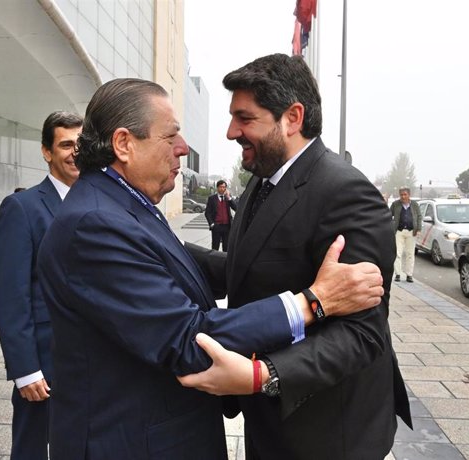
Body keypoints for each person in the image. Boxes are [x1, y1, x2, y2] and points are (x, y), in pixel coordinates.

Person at [35, 78, 386, 459]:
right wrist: (314, 301)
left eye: (244, 117)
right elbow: (188, 339)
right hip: (133, 441)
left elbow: (185, 264)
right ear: (124, 144)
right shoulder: (96, 224)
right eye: (171, 137)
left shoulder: (122, 204)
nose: (183, 148)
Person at [180, 53, 412, 460]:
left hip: (326, 434)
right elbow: (247, 272)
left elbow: (363, 335)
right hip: (272, 425)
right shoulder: (262, 181)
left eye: (244, 118)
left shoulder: (345, 194)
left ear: (292, 117)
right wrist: (163, 247)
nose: (231, 131)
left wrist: (262, 376)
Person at [0, 111, 82, 459]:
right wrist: (25, 369)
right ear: (47, 151)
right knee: (32, 447)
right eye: (65, 144)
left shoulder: (99, 203)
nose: (75, 151)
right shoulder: (22, 208)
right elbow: (12, 296)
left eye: (80, 144)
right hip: (44, 362)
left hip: (91, 357)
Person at [390, 186, 422, 283]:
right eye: (401, 195)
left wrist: (419, 228)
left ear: (409, 195)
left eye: (405, 194)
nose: (403, 197)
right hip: (399, 232)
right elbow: (388, 214)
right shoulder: (395, 204)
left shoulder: (415, 205)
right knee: (397, 253)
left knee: (410, 254)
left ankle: (409, 275)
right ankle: (398, 274)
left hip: (411, 232)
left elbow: (419, 216)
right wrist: (391, 226)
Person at [205, 179, 237, 251]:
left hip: (227, 227)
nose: (222, 189)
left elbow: (236, 208)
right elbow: (207, 212)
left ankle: (225, 262)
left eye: (224, 187)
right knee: (215, 246)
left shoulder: (228, 198)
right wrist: (212, 224)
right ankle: (213, 261)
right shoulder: (212, 198)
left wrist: (229, 198)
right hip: (216, 226)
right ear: (217, 188)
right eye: (221, 187)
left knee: (226, 247)